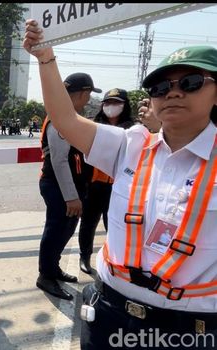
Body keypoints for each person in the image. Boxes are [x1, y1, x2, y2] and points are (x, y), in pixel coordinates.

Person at [25, 20, 217, 349]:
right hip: (109, 312)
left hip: (187, 329)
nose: (172, 92)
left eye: (190, 82)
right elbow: (66, 120)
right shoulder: (130, 145)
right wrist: (45, 58)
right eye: (159, 87)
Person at [36, 72, 98, 300]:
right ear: (81, 93)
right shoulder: (60, 118)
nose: (88, 99)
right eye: (88, 94)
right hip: (59, 186)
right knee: (56, 230)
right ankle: (46, 275)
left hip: (70, 186)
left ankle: (53, 268)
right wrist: (71, 196)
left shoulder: (69, 116)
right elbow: (59, 160)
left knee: (66, 228)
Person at [77, 88, 136, 275]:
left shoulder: (133, 130)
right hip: (94, 185)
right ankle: (84, 257)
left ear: (125, 106)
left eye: (117, 103)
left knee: (116, 225)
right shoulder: (94, 126)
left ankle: (115, 260)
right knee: (88, 224)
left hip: (120, 186)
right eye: (108, 103)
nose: (112, 107)